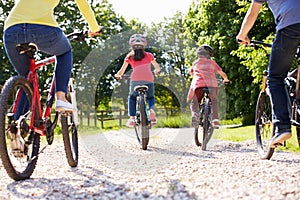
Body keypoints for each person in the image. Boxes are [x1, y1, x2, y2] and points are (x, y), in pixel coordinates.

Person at [3, 0, 101, 114]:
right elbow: (83, 4)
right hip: (43, 28)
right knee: (65, 51)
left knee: (26, 78)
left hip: (11, 31)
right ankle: (61, 98)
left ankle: (17, 125)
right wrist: (95, 28)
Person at [236, 0, 300, 148]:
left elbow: (252, 14)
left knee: (275, 78)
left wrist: (242, 35)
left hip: (290, 25)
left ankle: (282, 127)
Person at [115, 34, 161, 127]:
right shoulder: (149, 55)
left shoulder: (129, 56)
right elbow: (157, 67)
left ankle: (132, 118)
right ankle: (151, 110)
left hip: (135, 79)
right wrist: (156, 71)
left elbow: (122, 70)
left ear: (131, 45)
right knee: (150, 97)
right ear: (144, 45)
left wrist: (118, 75)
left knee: (132, 97)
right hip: (149, 79)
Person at [187, 45, 229, 129]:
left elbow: (190, 72)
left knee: (194, 102)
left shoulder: (195, 63)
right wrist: (226, 79)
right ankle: (215, 120)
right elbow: (221, 73)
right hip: (212, 85)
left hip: (198, 85)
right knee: (213, 101)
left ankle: (195, 116)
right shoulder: (212, 63)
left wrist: (194, 74)